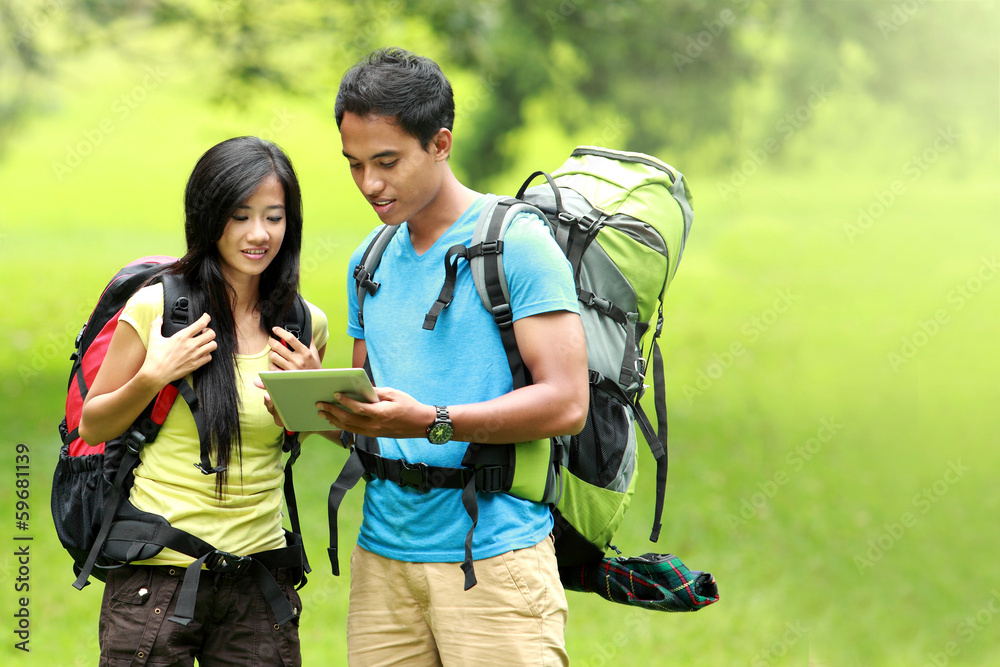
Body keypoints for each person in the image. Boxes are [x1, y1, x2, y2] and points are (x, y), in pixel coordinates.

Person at [322, 47, 589, 666]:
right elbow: (375, 420)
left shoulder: (516, 246)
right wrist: (317, 398)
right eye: (355, 165)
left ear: (440, 143)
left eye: (386, 162)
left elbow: (566, 402)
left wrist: (433, 419)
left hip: (493, 559)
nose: (370, 184)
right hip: (383, 559)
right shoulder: (371, 259)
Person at [79, 135, 329, 667]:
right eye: (239, 216)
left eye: (274, 216)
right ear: (208, 215)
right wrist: (154, 375)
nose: (259, 234)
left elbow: (310, 435)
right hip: (155, 579)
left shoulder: (304, 325)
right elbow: (93, 425)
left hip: (259, 580)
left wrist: (308, 394)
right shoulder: (158, 307)